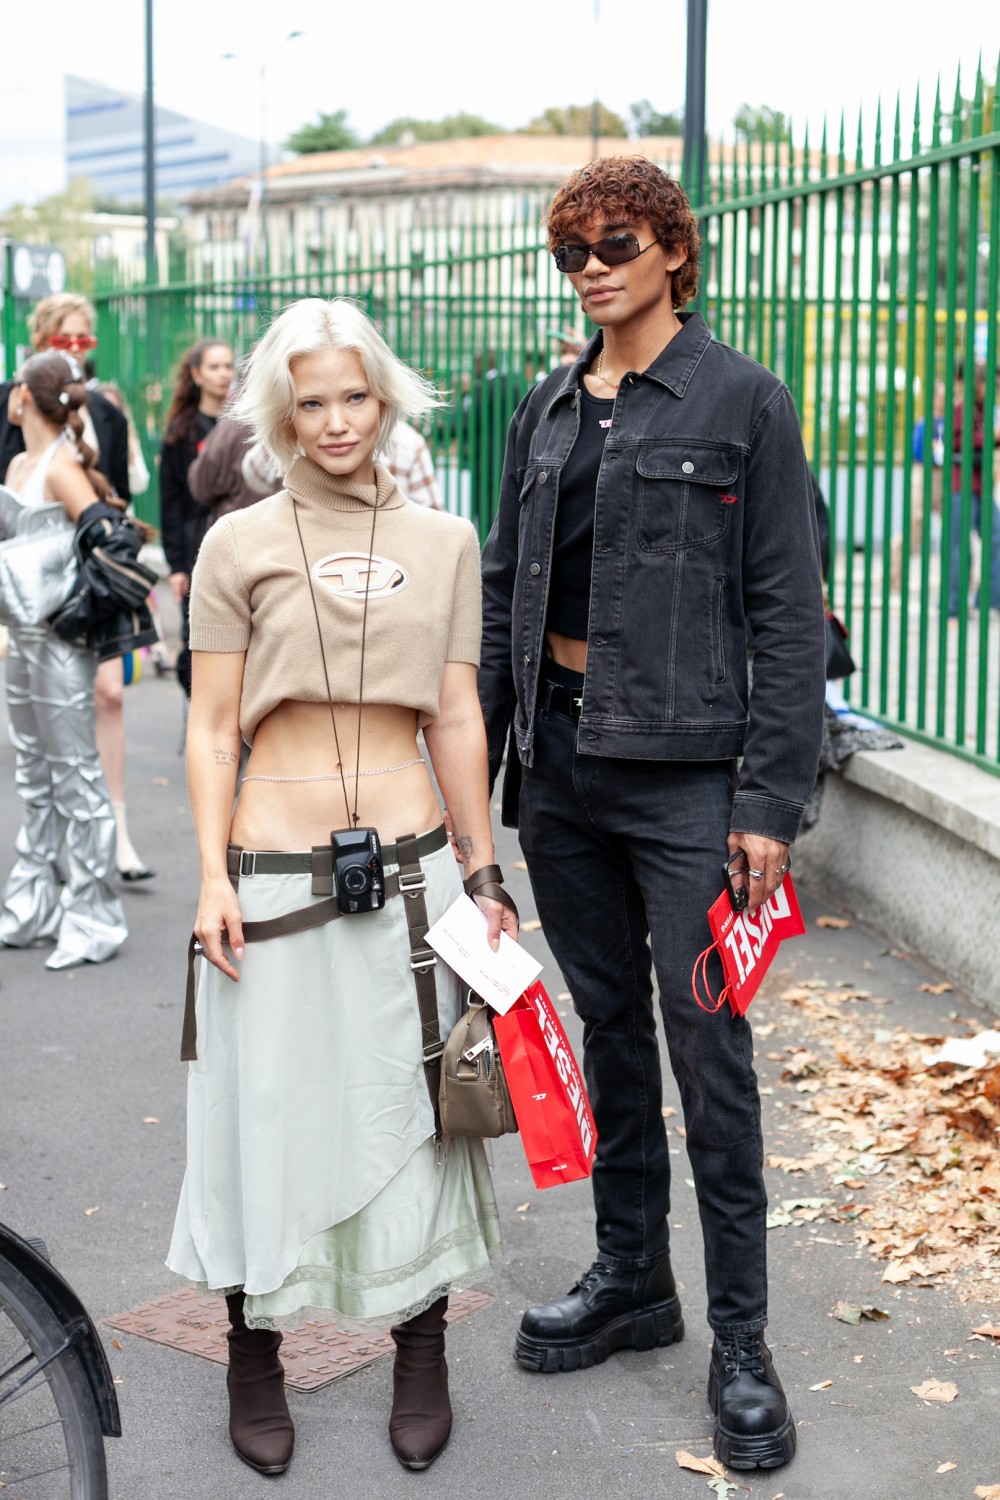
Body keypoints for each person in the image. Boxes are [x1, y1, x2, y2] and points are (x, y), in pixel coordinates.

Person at [478, 156, 826, 1472]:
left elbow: (787, 614)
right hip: (561, 772)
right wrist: (478, 789)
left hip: (688, 781)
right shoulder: (547, 406)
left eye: (615, 243)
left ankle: (742, 1344)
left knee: (707, 1052)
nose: (590, 269)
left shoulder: (744, 400)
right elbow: (505, 592)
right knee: (610, 1029)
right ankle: (633, 1276)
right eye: (570, 252)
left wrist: (768, 803)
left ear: (674, 249)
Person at [166, 296, 516, 1477]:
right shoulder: (237, 544)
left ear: (385, 399)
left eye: (353, 397)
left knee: (418, 1121)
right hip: (268, 883)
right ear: (279, 412)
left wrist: (483, 872)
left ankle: (421, 1352)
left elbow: (456, 715)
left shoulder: (446, 542)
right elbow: (212, 727)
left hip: (414, 887)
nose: (334, 421)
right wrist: (208, 876)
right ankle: (252, 1356)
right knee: (259, 1117)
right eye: (309, 401)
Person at [0, 351, 128, 968]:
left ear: (24, 395)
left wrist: (77, 611)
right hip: (21, 639)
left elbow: (111, 539)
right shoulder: (20, 462)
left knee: (76, 774)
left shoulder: (60, 467)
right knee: (33, 771)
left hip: (59, 642)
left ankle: (94, 919)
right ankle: (34, 907)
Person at [93, 381, 156, 879]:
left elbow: (133, 482)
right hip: (51, 584)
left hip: (104, 568)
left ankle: (119, 834)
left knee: (111, 696)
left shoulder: (107, 415)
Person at [158, 338, 235, 695]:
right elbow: (170, 503)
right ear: (196, 374)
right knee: (198, 640)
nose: (223, 374)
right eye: (214, 367)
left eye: (228, 366)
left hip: (238, 543)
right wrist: (176, 566)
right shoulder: (181, 432)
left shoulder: (245, 424)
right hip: (195, 547)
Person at [0, 293, 130, 502]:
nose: (75, 348)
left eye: (83, 340)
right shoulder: (8, 400)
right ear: (41, 343)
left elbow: (120, 493)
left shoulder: (110, 413)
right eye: (63, 340)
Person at [948, 363, 1000, 617]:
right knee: (961, 548)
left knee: (996, 537)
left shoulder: (982, 411)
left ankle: (988, 598)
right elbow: (958, 440)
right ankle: (954, 605)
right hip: (962, 485)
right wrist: (992, 436)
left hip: (981, 485)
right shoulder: (963, 408)